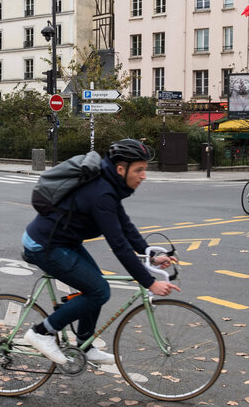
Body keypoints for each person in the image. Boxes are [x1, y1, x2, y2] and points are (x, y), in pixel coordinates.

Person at [20, 139, 181, 365]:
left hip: (64, 242)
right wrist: (149, 283)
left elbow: (124, 225)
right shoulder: (102, 192)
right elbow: (118, 244)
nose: (144, 175)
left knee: (95, 287)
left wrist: (149, 253)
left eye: (144, 169)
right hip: (45, 245)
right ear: (120, 169)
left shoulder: (109, 185)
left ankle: (85, 345)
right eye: (139, 170)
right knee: (98, 291)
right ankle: (41, 332)